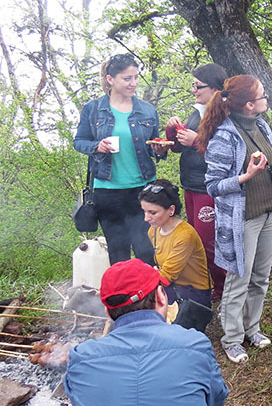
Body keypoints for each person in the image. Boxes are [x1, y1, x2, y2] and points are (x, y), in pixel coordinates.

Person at [27, 259, 229, 406]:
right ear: (162, 297)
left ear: (108, 312)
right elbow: (212, 405)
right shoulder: (194, 345)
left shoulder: (83, 358)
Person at [197, 75, 272, 363]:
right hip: (243, 219)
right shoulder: (225, 136)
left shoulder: (262, 125)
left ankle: (253, 328)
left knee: (261, 277)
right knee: (239, 278)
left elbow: (267, 165)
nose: (267, 99)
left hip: (270, 210)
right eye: (263, 95)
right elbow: (213, 185)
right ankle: (232, 339)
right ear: (250, 105)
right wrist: (244, 177)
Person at [73, 53, 168, 265]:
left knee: (146, 250)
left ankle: (150, 297)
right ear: (110, 79)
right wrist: (96, 146)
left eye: (135, 77)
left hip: (142, 189)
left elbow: (152, 148)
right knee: (118, 253)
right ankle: (124, 297)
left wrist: (159, 150)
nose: (133, 83)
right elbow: (79, 141)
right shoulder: (94, 109)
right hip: (107, 191)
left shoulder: (147, 111)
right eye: (127, 78)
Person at [165, 63, 228, 300]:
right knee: (194, 240)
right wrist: (174, 132)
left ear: (214, 88)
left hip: (208, 188)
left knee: (207, 241)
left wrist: (196, 141)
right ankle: (206, 285)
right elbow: (179, 149)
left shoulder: (224, 115)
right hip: (189, 185)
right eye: (193, 85)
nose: (194, 90)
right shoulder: (196, 112)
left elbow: (226, 152)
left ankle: (223, 288)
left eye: (198, 86)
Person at [139, 179, 211, 311]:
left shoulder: (184, 236)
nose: (146, 218)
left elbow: (166, 277)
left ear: (171, 210)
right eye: (144, 211)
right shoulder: (153, 230)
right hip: (172, 287)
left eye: (152, 213)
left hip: (193, 293)